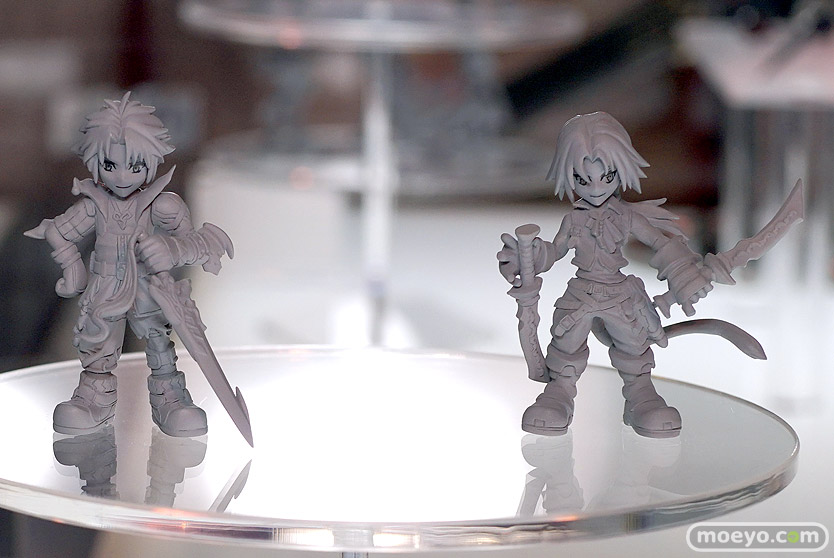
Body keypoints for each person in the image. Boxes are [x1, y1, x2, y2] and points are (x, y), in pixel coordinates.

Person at [26, 93, 232, 437]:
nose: (122, 176)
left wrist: (171, 249)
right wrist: (73, 268)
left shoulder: (163, 205)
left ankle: (169, 399)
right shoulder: (94, 205)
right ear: (96, 163)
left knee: (159, 344)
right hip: (105, 286)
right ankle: (94, 399)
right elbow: (58, 232)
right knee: (98, 345)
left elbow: (194, 244)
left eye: (134, 166)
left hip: (150, 286)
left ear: (151, 163)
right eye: (111, 165)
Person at [498, 112, 712, 438]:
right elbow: (555, 251)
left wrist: (684, 275)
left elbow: (659, 242)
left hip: (619, 293)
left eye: (606, 176)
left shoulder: (626, 216)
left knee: (633, 346)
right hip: (581, 292)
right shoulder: (574, 220)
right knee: (566, 345)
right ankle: (558, 394)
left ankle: (641, 396)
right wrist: (528, 257)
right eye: (583, 180)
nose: (596, 188)